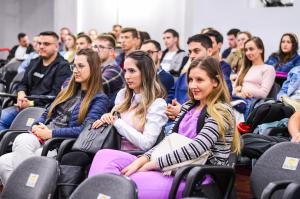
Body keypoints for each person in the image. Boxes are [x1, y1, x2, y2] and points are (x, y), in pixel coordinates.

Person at [88, 57, 240, 199]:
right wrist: (143, 159)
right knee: (104, 156)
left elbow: (197, 148)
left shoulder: (221, 110)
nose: (193, 85)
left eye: (199, 80)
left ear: (215, 82)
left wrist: (153, 164)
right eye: (191, 80)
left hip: (196, 175)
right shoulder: (188, 106)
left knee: (126, 182)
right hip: (170, 165)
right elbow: (168, 142)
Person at [58, 50, 167, 198]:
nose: (127, 76)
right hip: (111, 146)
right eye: (125, 71)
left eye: (132, 71)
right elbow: (113, 120)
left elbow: (146, 144)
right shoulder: (123, 95)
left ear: (146, 73)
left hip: (135, 155)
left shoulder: (157, 104)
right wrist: (105, 118)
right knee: (72, 157)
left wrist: (118, 122)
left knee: (100, 157)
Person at [0, 48, 109, 185]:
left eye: (81, 66)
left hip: (58, 145)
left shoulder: (99, 99)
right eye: (74, 65)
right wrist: (37, 125)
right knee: (3, 161)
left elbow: (85, 130)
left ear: (93, 69)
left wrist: (50, 133)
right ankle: (30, 189)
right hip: (43, 137)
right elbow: (47, 112)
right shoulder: (67, 91)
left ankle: (29, 189)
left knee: (9, 158)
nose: (75, 70)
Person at [0, 31, 72, 131]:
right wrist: (21, 94)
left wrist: (31, 103)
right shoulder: (34, 62)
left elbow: (56, 96)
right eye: (39, 43)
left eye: (46, 44)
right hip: (23, 106)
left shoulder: (63, 67)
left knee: (21, 130)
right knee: (1, 119)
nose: (41, 47)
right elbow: (23, 84)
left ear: (56, 46)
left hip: (44, 110)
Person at [233, 37, 276, 117]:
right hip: (238, 99)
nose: (248, 52)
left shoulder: (268, 69)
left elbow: (263, 93)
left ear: (261, 50)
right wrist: (239, 93)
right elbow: (234, 88)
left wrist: (243, 91)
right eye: (246, 50)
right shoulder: (244, 68)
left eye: (251, 49)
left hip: (253, 104)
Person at [92, 34, 124, 104]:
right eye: (95, 47)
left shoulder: (114, 69)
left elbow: (95, 85)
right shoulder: (95, 67)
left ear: (111, 51)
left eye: (101, 47)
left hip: (105, 112)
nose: (96, 50)